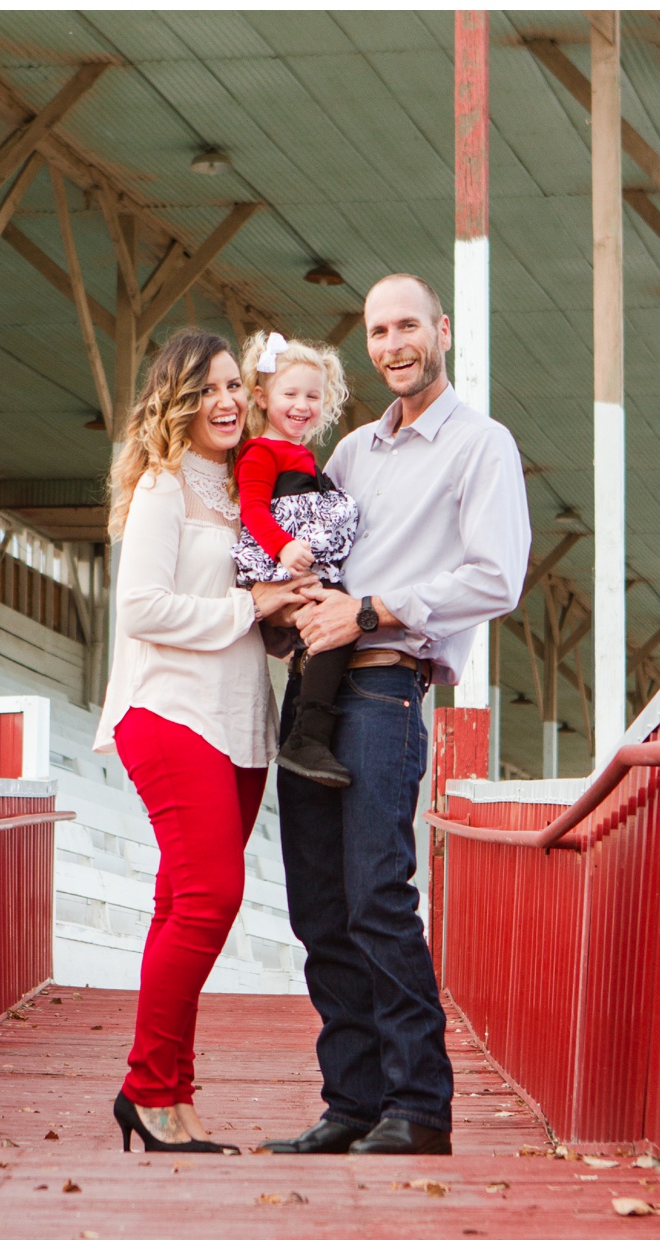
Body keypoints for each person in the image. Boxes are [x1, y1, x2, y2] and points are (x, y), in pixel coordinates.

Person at [262, 273, 531, 1157]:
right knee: (320, 906)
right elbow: (317, 549)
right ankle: (353, 1099)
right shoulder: (350, 456)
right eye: (378, 332)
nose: (392, 344)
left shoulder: (481, 445)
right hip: (314, 688)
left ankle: (419, 1105)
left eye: (407, 325)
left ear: (441, 331)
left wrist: (372, 608)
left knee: (378, 894)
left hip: (385, 686)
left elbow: (497, 576)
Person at [93, 329, 315, 1155]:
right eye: (208, 389)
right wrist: (247, 606)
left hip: (237, 723)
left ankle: (173, 1098)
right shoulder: (161, 488)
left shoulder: (242, 487)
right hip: (168, 711)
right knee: (213, 898)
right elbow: (142, 608)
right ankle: (147, 1088)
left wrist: (290, 604)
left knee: (179, 906)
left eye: (233, 387)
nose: (225, 402)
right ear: (178, 400)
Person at [230, 330, 360, 788]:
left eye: (313, 395)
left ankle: (311, 734)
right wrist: (283, 547)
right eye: (291, 394)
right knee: (336, 622)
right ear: (262, 397)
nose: (302, 405)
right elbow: (253, 510)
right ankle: (308, 736)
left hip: (299, 566)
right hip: (278, 567)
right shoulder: (260, 452)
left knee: (337, 625)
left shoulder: (300, 453)